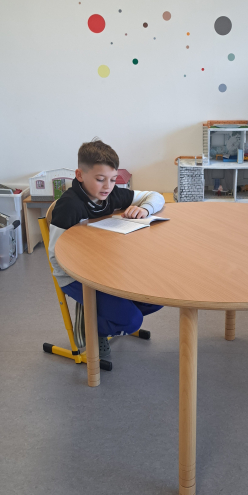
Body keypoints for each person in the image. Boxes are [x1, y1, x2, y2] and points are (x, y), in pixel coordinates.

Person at [49, 138, 165, 359]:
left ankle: (101, 314)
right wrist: (86, 275)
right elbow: (56, 253)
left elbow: (155, 196)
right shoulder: (69, 205)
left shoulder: (111, 195)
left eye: (113, 180)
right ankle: (94, 328)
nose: (108, 187)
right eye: (100, 179)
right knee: (132, 321)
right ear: (80, 175)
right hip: (74, 276)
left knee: (157, 298)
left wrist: (145, 209)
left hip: (109, 269)